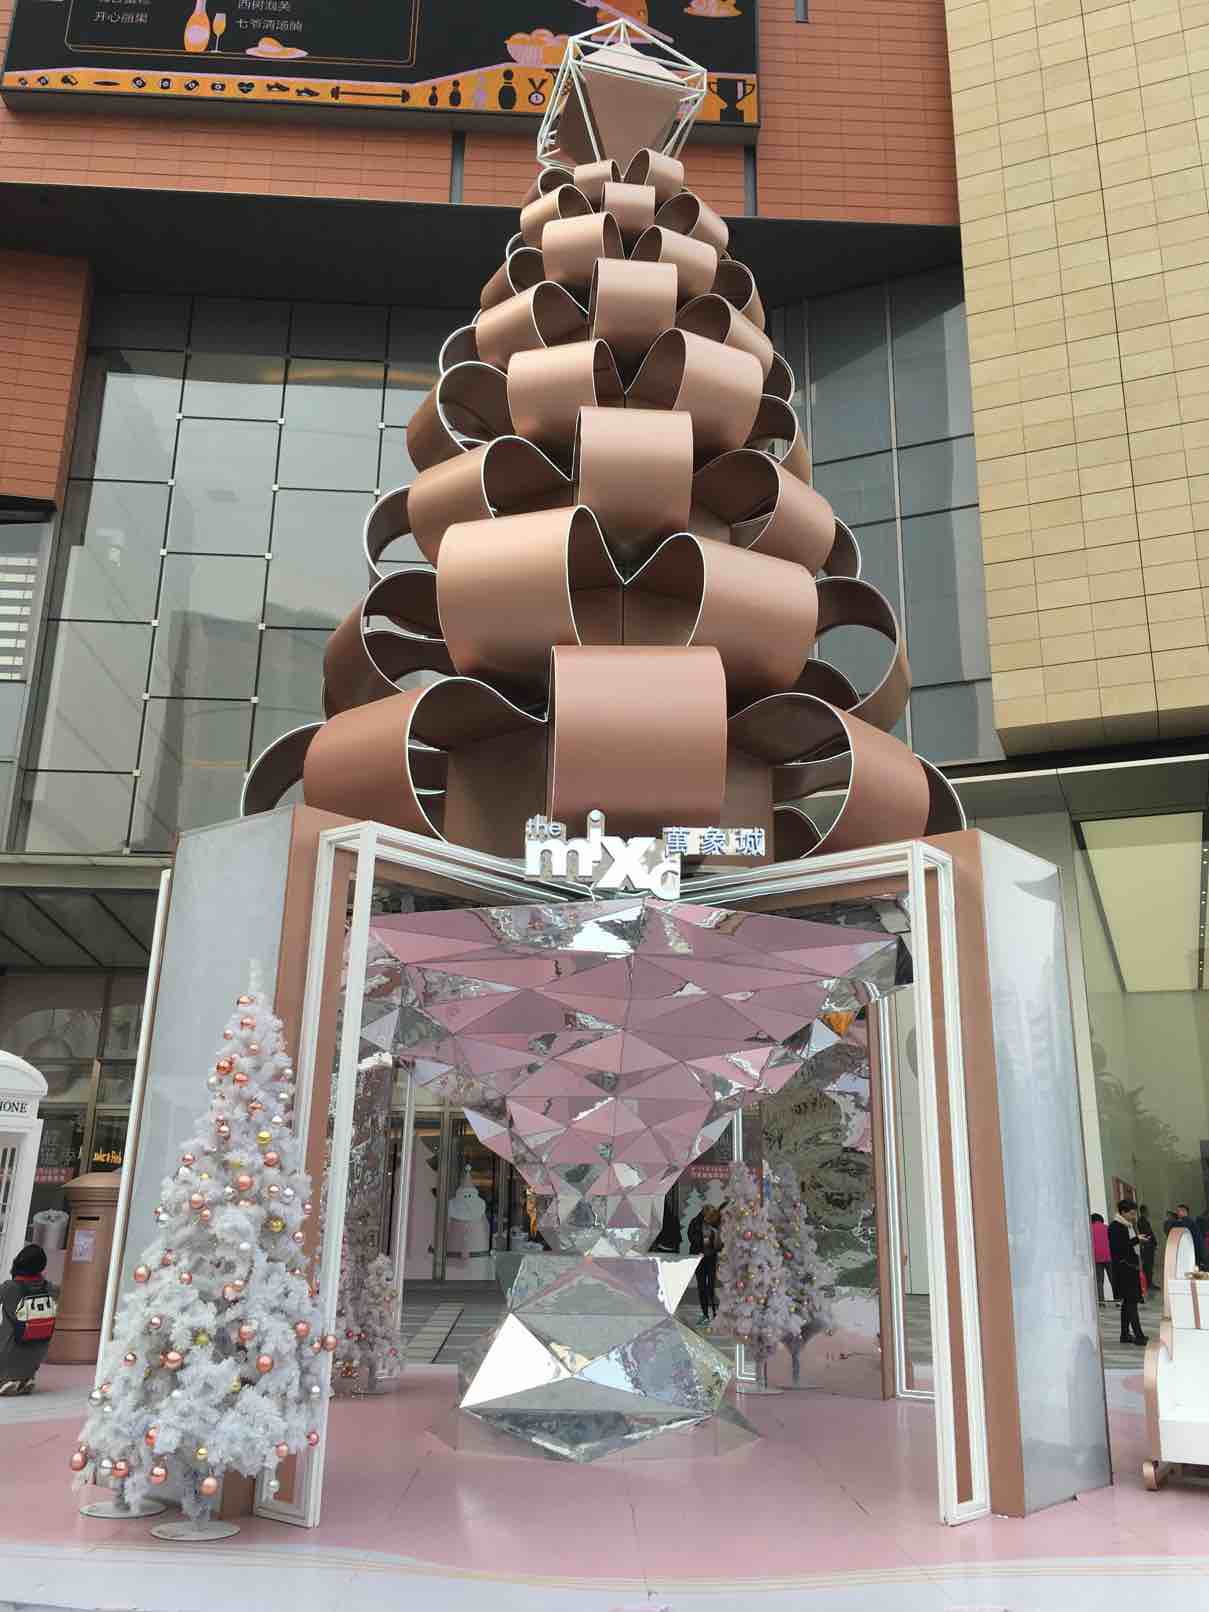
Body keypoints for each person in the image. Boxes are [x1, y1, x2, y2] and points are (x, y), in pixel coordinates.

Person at [0, 1243, 59, 1395]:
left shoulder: (10, 1288)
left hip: (8, 1356)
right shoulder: (52, 1289)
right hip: (36, 1358)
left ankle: (6, 1379)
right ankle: (25, 1378)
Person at [1108, 1200, 1147, 1347]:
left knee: (1127, 1303)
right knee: (1131, 1303)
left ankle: (1124, 1334)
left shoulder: (1127, 1225)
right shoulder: (1115, 1227)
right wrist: (1137, 1239)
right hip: (1124, 1270)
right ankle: (1139, 1336)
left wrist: (1136, 1240)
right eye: (1131, 1213)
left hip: (1130, 1268)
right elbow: (1119, 1248)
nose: (1134, 1216)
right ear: (1123, 1212)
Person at [695, 1205, 722, 1327]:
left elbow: (719, 1246)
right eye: (708, 1216)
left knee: (711, 1286)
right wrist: (702, 1241)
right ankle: (705, 1314)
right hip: (699, 1259)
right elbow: (693, 1239)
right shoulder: (695, 1224)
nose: (710, 1219)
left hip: (711, 1258)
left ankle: (715, 1313)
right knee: (701, 1287)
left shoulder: (715, 1225)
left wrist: (716, 1236)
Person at [1170, 1204, 1207, 1269]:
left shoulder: (1187, 1221)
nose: (1177, 1213)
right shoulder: (1190, 1221)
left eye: (1178, 1211)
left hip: (1193, 1251)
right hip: (1195, 1251)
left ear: (1184, 1211)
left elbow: (1174, 1226)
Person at [1090, 1213, 1112, 1306]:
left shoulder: (1089, 1229)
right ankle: (1119, 1300)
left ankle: (1101, 1302)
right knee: (1113, 1279)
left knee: (1099, 1281)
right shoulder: (1107, 1228)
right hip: (1109, 1256)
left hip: (1096, 1257)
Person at [1137, 1204, 1157, 1294]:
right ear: (1144, 1211)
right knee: (1148, 1265)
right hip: (1147, 1246)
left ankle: (1149, 1283)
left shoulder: (1142, 1220)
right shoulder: (1142, 1221)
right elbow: (1148, 1233)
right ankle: (1148, 1283)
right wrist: (1153, 1242)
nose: (1148, 1212)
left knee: (1148, 1266)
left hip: (1147, 1246)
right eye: (1147, 1211)